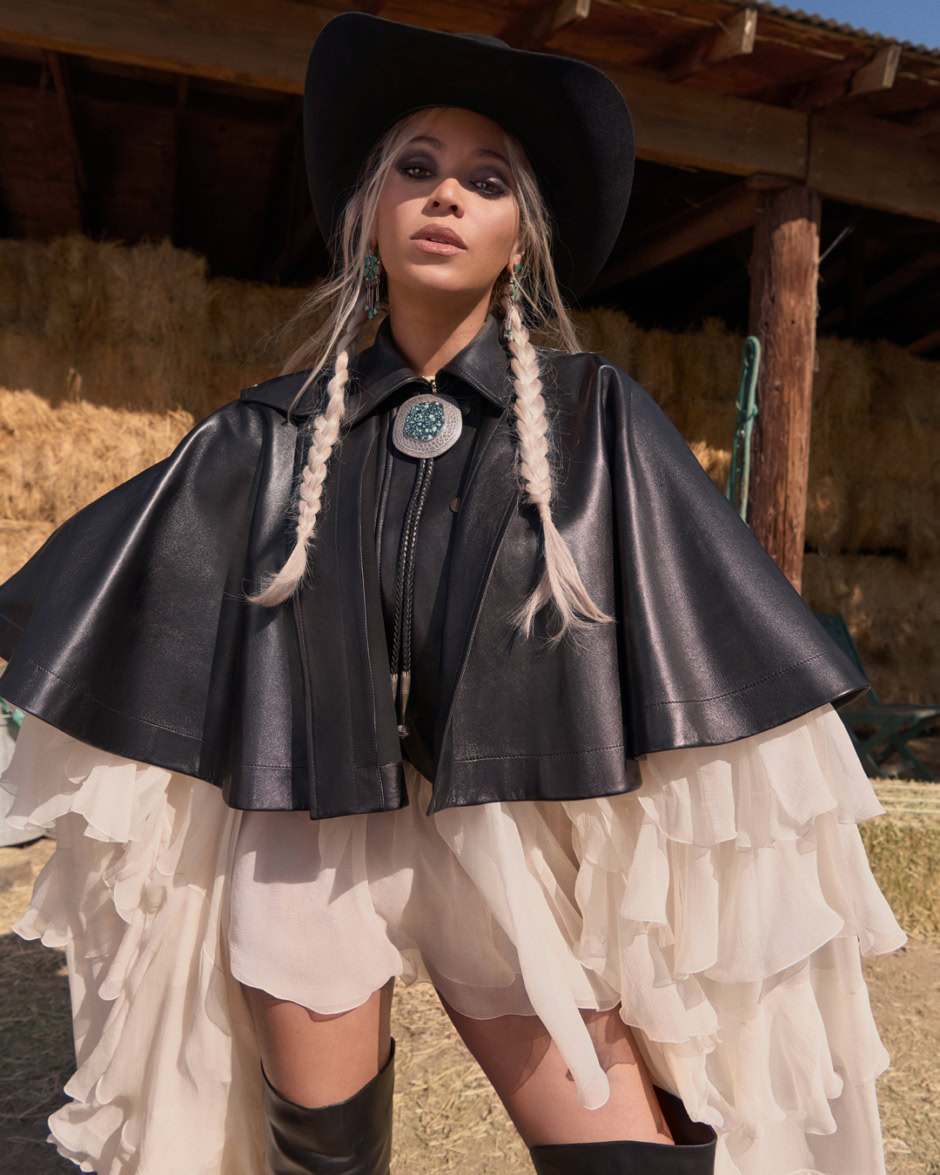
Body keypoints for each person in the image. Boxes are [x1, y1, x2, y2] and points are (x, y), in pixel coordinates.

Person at [0, 12, 907, 1175]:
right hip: (307, 829)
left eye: (484, 182)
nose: (444, 197)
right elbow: (104, 599)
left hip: (507, 836)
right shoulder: (262, 434)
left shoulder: (595, 418)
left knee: (621, 1156)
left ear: (519, 237)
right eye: (415, 170)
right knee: (318, 1156)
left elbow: (710, 642)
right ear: (370, 217)